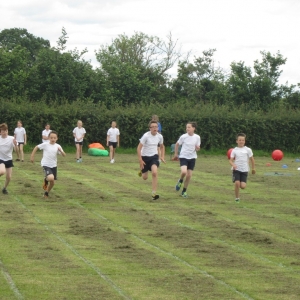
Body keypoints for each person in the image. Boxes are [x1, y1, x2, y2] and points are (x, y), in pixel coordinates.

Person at [30, 131, 66, 198]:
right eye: (51, 137)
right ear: (49, 138)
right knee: (50, 177)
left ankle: (46, 193)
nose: (53, 139)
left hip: (54, 165)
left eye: (54, 138)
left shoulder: (58, 146)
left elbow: (64, 155)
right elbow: (36, 147)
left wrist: (60, 151)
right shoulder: (45, 144)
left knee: (52, 182)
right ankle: (46, 179)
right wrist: (32, 156)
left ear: (57, 138)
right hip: (45, 164)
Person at [137, 120, 165, 200]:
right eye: (152, 127)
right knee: (145, 177)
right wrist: (140, 160)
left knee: (154, 172)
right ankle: (141, 170)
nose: (154, 128)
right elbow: (138, 148)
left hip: (154, 157)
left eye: (156, 127)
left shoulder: (160, 136)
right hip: (144, 157)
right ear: (150, 128)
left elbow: (162, 146)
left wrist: (162, 156)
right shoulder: (146, 136)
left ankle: (154, 193)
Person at [174, 122, 201, 198]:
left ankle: (184, 191)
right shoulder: (183, 137)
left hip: (192, 157)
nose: (187, 129)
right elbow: (177, 144)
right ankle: (180, 180)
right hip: (183, 156)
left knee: (189, 175)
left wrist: (197, 148)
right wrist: (176, 154)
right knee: (184, 172)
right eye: (186, 127)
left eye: (189, 127)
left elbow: (197, 147)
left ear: (193, 128)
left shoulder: (197, 137)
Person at [229, 133, 256, 203]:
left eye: (243, 140)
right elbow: (230, 160)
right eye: (240, 140)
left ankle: (239, 183)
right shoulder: (234, 150)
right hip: (236, 169)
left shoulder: (248, 150)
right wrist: (233, 165)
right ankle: (237, 198)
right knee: (237, 183)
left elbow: (252, 159)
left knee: (243, 186)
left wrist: (253, 169)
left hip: (244, 170)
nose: (241, 141)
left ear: (244, 141)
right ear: (237, 141)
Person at [0, 123, 17, 194]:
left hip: (9, 159)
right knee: (2, 171)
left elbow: (16, 150)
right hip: (1, 158)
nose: (4, 132)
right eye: (3, 131)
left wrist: (15, 144)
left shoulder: (12, 139)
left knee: (9, 177)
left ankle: (4, 188)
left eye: (6, 131)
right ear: (0, 132)